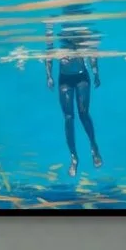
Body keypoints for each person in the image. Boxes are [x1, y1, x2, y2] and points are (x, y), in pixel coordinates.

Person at [47, 36, 103, 170]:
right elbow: (48, 50)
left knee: (83, 113)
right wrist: (48, 75)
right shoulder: (59, 34)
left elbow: (91, 52)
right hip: (65, 78)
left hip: (81, 76)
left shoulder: (81, 33)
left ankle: (93, 146)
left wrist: (96, 73)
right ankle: (73, 156)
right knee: (68, 118)